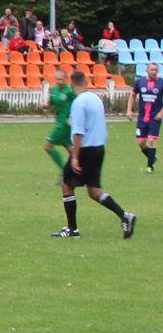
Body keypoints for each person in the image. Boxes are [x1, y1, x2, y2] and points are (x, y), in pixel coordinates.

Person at [58, 71, 136, 239]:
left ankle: (72, 229)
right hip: (99, 148)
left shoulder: (78, 103)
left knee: (66, 184)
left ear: (72, 85)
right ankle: (125, 216)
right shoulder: (95, 99)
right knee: (94, 191)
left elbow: (78, 132)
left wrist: (75, 156)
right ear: (86, 83)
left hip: (85, 149)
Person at [44, 66, 76, 175]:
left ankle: (64, 171)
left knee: (47, 147)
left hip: (64, 124)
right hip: (59, 122)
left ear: (66, 79)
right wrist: (46, 106)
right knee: (71, 149)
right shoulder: (53, 90)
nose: (58, 81)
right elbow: (52, 102)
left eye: (61, 79)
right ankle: (81, 171)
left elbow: (78, 104)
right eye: (57, 79)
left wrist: (73, 118)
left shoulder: (70, 91)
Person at [131, 63, 161, 173]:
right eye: (152, 69)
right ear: (147, 70)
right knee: (140, 143)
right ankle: (152, 158)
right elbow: (133, 95)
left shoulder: (161, 82)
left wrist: (161, 113)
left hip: (155, 118)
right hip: (142, 118)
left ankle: (150, 167)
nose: (154, 72)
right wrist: (129, 110)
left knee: (151, 141)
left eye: (156, 70)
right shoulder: (140, 82)